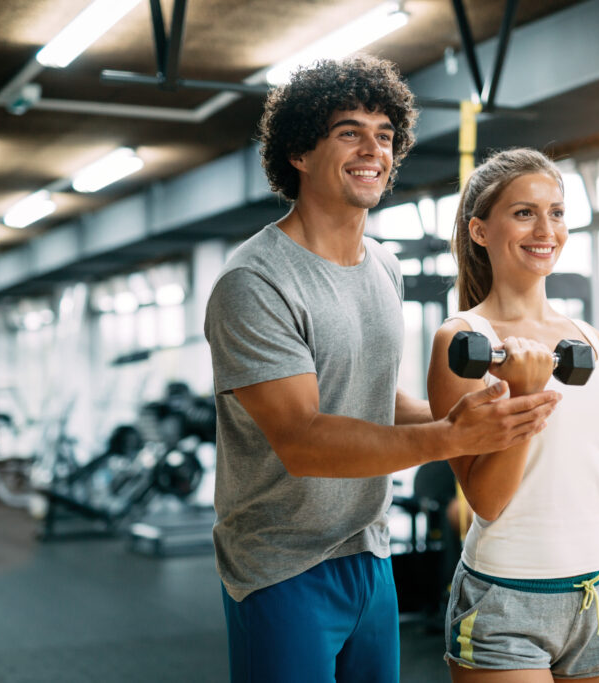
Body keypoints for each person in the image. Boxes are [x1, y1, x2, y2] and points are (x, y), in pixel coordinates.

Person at [204, 57, 560, 683]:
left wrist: (476, 420)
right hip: (280, 565)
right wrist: (452, 438)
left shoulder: (383, 268)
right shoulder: (254, 282)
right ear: (299, 152)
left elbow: (369, 396)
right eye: (349, 131)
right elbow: (304, 441)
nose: (374, 149)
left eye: (386, 135)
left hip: (369, 552)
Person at [427, 148, 599, 682]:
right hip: (509, 597)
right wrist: (524, 391)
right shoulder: (461, 341)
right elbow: (487, 500)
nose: (544, 228)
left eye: (556, 211)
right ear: (480, 231)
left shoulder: (588, 338)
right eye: (524, 212)